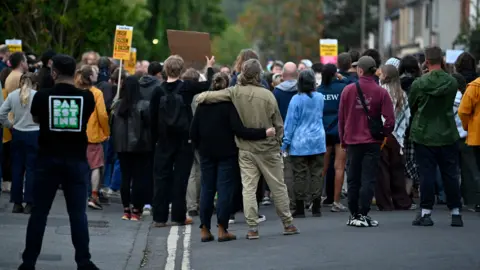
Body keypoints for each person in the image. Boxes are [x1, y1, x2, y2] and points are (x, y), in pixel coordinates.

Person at [195, 59, 299, 239]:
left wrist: (200, 97)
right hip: (268, 148)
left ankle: (252, 229)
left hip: (245, 148)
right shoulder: (268, 95)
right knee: (278, 186)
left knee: (249, 188)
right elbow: (278, 124)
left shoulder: (235, 92)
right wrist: (278, 141)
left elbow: (206, 97)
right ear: (258, 74)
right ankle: (288, 224)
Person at [18, 54, 98, 270]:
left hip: (47, 160)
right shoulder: (87, 98)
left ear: (54, 73)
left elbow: (36, 119)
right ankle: (84, 261)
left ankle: (28, 262)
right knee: (77, 214)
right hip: (76, 161)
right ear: (75, 73)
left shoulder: (42, 96)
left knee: (39, 214)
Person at [190, 72, 272, 242]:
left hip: (206, 152)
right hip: (227, 152)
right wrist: (264, 132)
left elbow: (193, 132)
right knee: (225, 189)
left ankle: (205, 229)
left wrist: (199, 147)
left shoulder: (201, 105)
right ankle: (222, 228)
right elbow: (240, 130)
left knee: (207, 189)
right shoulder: (229, 105)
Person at [150, 55, 215, 227]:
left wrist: (154, 139)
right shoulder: (186, 87)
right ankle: (179, 216)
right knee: (181, 179)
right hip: (184, 140)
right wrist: (209, 67)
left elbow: (151, 117)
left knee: (161, 178)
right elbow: (208, 85)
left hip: (163, 141)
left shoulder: (157, 90)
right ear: (181, 70)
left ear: (165, 70)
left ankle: (159, 217)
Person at [409, 46, 463, 227]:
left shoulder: (419, 83)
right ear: (442, 60)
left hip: (424, 133)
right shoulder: (452, 82)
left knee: (426, 175)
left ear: (427, 61)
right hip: (447, 131)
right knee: (450, 174)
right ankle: (455, 212)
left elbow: (413, 105)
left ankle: (426, 213)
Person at [338, 56, 395, 227]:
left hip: (352, 141)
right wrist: (383, 133)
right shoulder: (381, 92)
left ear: (360, 70)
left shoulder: (348, 90)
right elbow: (390, 119)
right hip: (372, 141)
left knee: (353, 179)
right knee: (368, 179)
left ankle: (354, 213)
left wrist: (343, 140)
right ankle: (363, 213)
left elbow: (341, 118)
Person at [282, 69, 326, 217]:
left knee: (299, 175)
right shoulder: (320, 97)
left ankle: (300, 208)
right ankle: (316, 207)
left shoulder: (296, 99)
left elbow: (290, 123)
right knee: (317, 174)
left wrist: (285, 143)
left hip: (299, 142)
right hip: (318, 140)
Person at [110, 76, 152, 221]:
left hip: (121, 146)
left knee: (125, 177)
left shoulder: (117, 105)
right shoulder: (144, 105)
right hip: (140, 146)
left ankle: (126, 209)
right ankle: (136, 209)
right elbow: (149, 125)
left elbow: (112, 125)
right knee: (139, 178)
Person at [0, 72, 39, 214]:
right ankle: (30, 202)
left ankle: (17, 203)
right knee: (31, 169)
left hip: (17, 133)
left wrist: (9, 125)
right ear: (35, 84)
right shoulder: (37, 96)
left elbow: (1, 114)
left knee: (17, 169)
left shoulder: (13, 95)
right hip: (34, 134)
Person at [375, 64, 412, 211]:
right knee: (397, 169)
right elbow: (407, 115)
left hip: (384, 134)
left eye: (381, 73)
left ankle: (385, 202)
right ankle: (401, 201)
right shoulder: (402, 93)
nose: (379, 76)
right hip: (398, 136)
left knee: (383, 170)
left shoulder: (381, 92)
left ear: (386, 76)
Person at [75, 65, 110, 210]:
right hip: (92, 134)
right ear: (90, 77)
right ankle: (93, 196)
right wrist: (106, 132)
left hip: (75, 133)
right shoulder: (96, 93)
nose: (97, 75)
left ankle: (77, 194)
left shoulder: (75, 91)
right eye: (95, 73)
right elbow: (102, 115)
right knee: (95, 166)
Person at [317, 64, 348, 212]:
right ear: (335, 74)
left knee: (322, 167)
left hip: (323, 130)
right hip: (340, 130)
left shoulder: (319, 91)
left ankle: (315, 200)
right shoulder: (342, 88)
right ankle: (336, 202)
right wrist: (343, 78)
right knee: (339, 167)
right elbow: (354, 86)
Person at [458, 69, 480, 213]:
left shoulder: (475, 87)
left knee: (476, 168)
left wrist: (468, 126)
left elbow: (463, 111)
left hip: (477, 133)